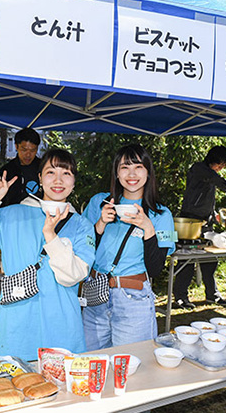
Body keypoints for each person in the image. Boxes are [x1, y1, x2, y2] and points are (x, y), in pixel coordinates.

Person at [0, 148, 95, 361]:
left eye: (66, 173)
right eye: (51, 172)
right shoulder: (11, 214)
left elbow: (72, 276)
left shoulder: (82, 226)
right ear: (40, 179)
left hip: (62, 330)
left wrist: (50, 236)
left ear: (73, 182)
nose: (58, 180)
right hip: (17, 330)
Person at [81, 144, 176, 350]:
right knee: (91, 363)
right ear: (116, 172)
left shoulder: (161, 214)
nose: (131, 174)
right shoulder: (99, 203)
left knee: (131, 367)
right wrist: (99, 225)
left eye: (138, 167)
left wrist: (147, 228)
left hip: (133, 299)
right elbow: (81, 251)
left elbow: (155, 269)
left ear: (148, 172)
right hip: (96, 295)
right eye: (125, 167)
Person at [173, 146, 226, 310]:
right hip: (189, 222)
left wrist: (214, 215)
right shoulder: (199, 169)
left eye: (223, 166)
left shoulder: (210, 176)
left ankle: (212, 295)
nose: (220, 169)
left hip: (206, 222)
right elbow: (217, 181)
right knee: (187, 261)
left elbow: (206, 199)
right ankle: (180, 297)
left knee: (210, 259)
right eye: (220, 164)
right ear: (212, 160)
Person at [0, 127, 41, 207]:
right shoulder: (6, 171)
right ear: (16, 147)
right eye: (24, 150)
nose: (28, 155)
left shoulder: (44, 168)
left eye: (32, 150)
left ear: (37, 148)